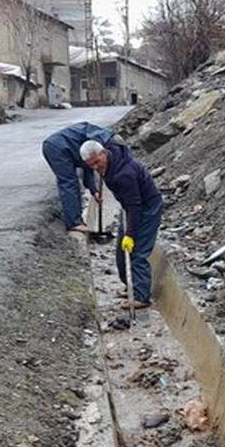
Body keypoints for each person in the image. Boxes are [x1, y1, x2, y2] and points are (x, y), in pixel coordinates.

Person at [79, 139, 163, 309]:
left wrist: (130, 235)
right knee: (121, 252)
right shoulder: (110, 159)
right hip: (130, 207)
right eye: (91, 165)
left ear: (103, 153)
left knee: (138, 252)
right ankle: (130, 286)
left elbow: (135, 206)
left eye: (97, 162)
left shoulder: (125, 174)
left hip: (146, 209)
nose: (95, 167)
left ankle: (142, 297)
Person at [42, 122, 120, 232]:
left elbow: (88, 166)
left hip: (61, 148)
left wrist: (94, 191)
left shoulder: (97, 141)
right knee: (69, 183)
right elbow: (92, 164)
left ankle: (75, 218)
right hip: (57, 149)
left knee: (71, 182)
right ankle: (74, 222)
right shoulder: (97, 139)